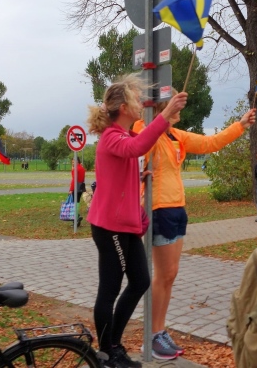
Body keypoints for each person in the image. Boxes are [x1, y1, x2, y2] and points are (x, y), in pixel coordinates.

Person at [132, 97, 255, 359]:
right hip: (159, 209)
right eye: (173, 104)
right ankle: (151, 336)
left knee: (171, 274)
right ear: (161, 107)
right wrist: (163, 113)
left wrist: (241, 124)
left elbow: (210, 143)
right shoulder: (145, 131)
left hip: (178, 208)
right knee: (163, 275)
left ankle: (160, 330)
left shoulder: (176, 135)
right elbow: (138, 145)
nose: (180, 109)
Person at [85, 73, 187, 368]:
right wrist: (165, 115)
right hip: (110, 227)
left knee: (140, 281)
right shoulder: (112, 137)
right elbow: (137, 148)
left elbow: (128, 159)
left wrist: (138, 175)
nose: (141, 104)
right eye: (135, 100)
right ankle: (107, 353)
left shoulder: (124, 136)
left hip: (125, 225)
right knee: (109, 290)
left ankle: (114, 346)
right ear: (123, 107)